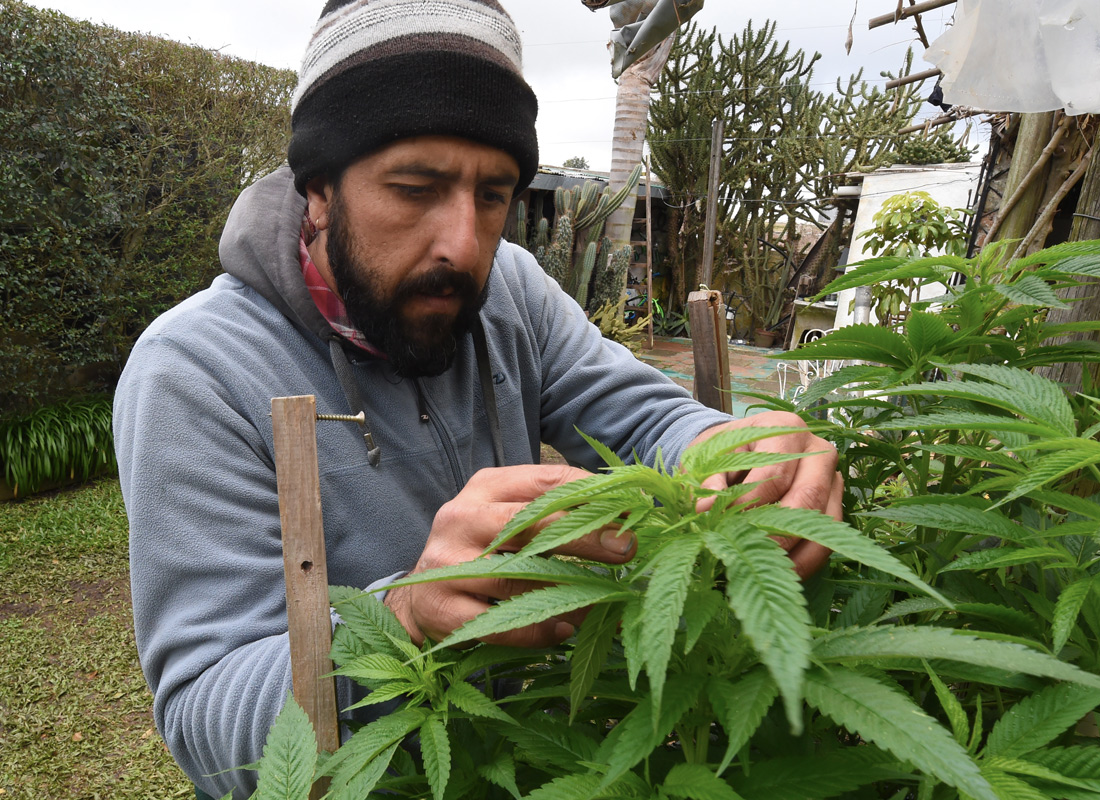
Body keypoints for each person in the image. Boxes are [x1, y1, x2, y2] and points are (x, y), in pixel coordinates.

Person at [113, 1, 841, 797]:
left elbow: (646, 416)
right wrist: (403, 622)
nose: (463, 246)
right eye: (414, 187)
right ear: (318, 190)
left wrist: (739, 453)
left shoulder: (511, 292)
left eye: (493, 195)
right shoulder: (195, 372)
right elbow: (206, 719)